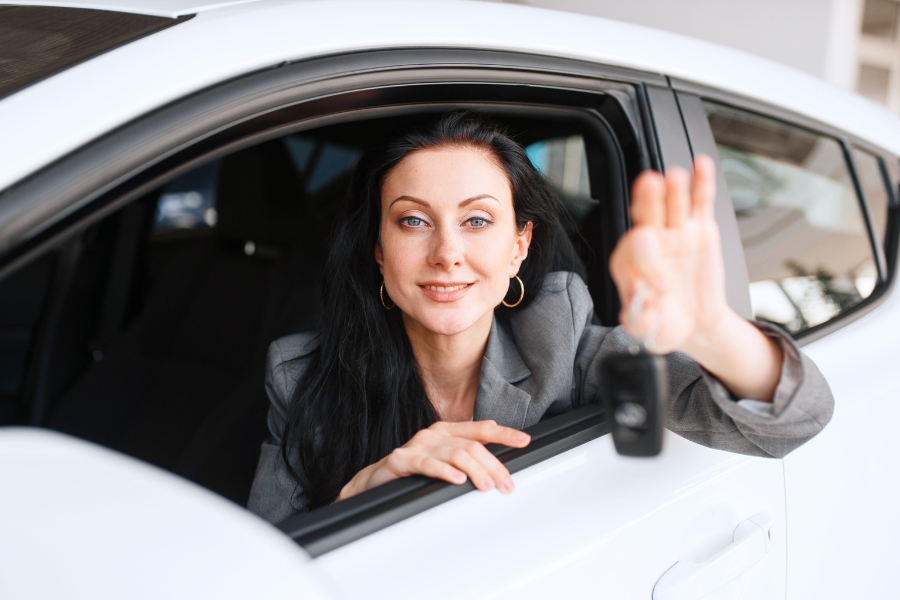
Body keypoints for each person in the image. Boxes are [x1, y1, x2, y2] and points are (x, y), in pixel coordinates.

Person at [248, 112, 834, 523]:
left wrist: (712, 330)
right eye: (413, 221)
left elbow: (795, 422)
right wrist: (358, 497)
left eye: (477, 221)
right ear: (378, 248)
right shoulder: (300, 380)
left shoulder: (566, 349)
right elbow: (256, 564)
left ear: (519, 245)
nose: (447, 252)